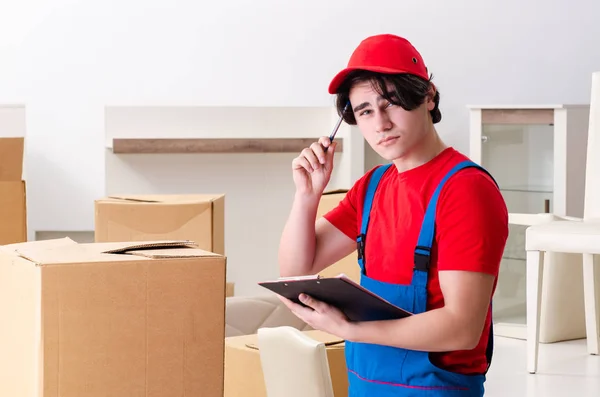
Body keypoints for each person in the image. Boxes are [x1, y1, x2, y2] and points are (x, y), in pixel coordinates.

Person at [277, 33, 509, 396]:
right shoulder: (372, 187)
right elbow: (295, 272)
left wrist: (349, 330)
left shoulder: (465, 190)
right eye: (365, 111)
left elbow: (462, 328)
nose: (380, 123)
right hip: (364, 384)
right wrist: (307, 196)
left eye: (391, 102)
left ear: (428, 96)